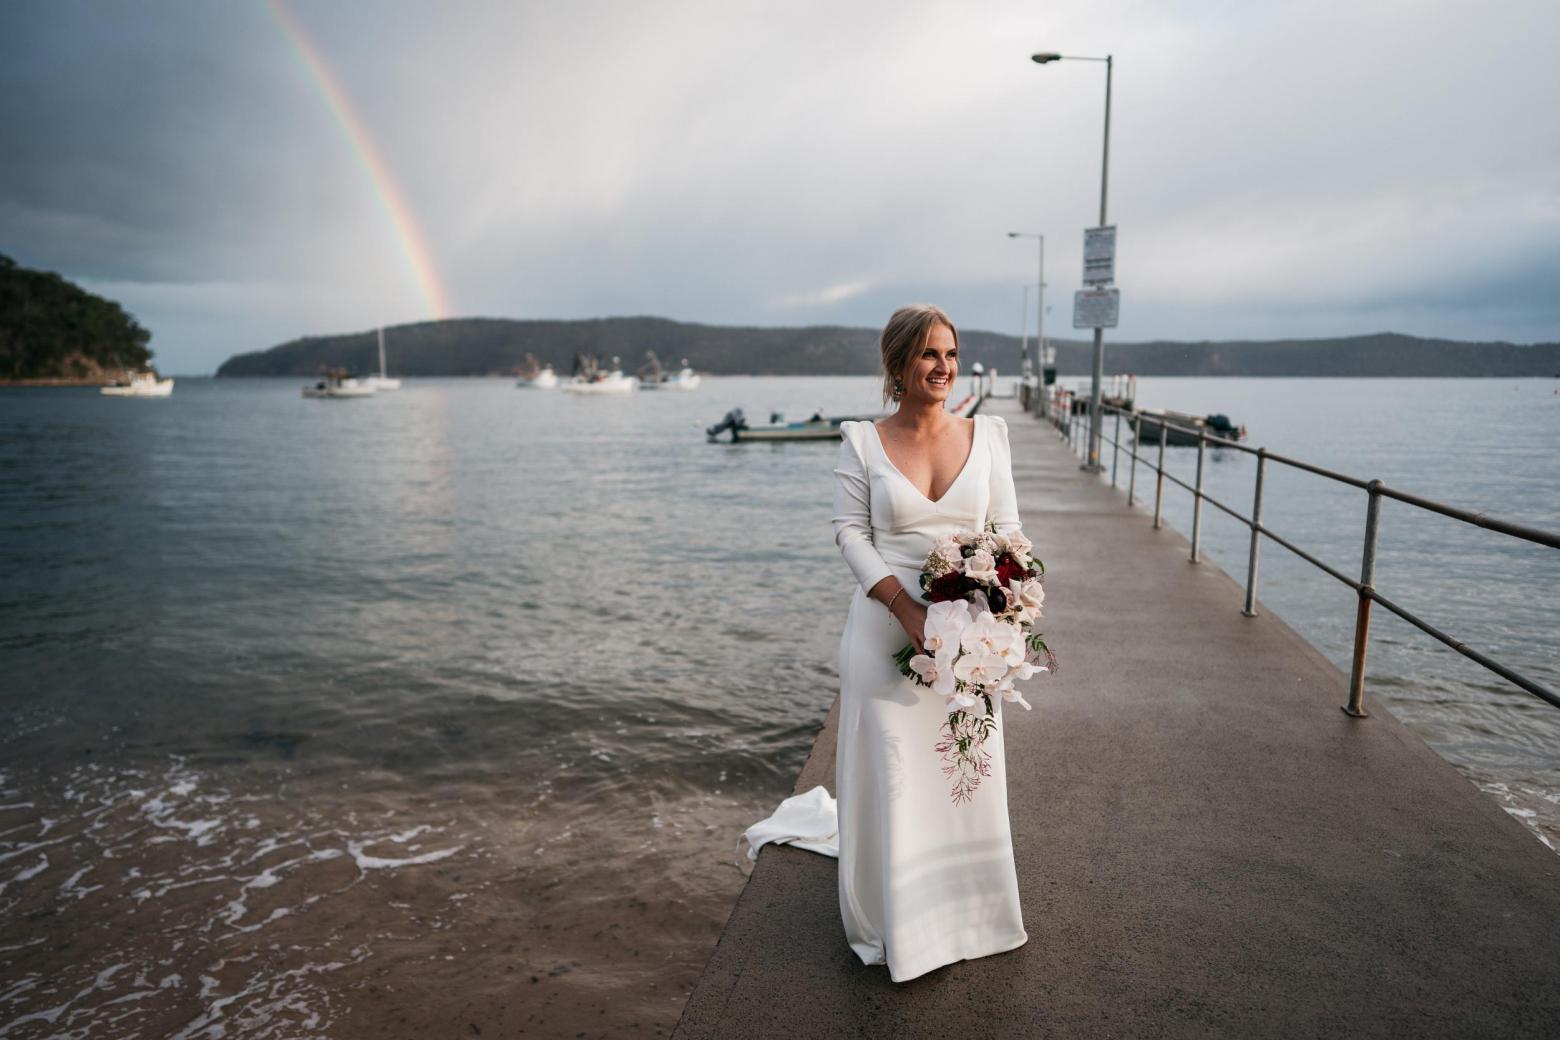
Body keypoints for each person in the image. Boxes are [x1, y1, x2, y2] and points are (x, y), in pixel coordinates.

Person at [830, 303, 1028, 982]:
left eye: (951, 353)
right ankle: (897, 921)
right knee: (896, 770)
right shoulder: (861, 441)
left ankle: (969, 913)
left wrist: (1004, 604)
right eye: (928, 355)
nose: (944, 367)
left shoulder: (989, 434)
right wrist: (904, 607)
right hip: (884, 630)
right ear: (897, 365)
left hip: (970, 640)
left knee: (961, 772)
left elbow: (1007, 531)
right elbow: (850, 533)